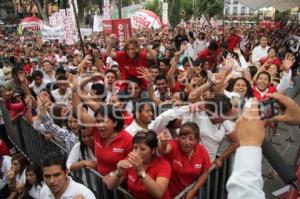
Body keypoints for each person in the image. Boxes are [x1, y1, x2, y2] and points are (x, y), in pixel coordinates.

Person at [103, 131, 172, 199]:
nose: (137, 152)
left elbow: (158, 194)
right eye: (135, 148)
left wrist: (141, 171)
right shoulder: (129, 160)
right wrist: (118, 173)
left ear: (153, 150)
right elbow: (110, 186)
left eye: (142, 149)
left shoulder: (164, 165)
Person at [158, 122, 211, 198]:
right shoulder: (174, 145)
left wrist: (193, 191)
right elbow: (163, 150)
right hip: (169, 194)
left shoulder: (202, 150)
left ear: (197, 140)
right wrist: (163, 143)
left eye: (191, 139)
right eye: (183, 138)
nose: (186, 142)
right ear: (178, 138)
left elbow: (205, 173)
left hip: (188, 195)